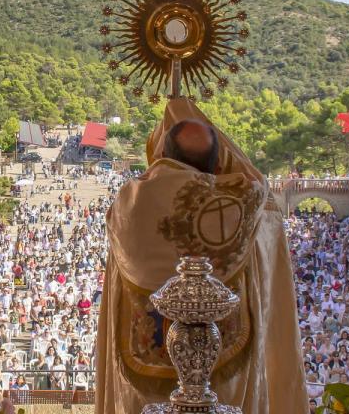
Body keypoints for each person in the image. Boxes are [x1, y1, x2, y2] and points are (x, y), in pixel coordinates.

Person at [97, 98, 306, 414]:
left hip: (146, 356)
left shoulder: (133, 199)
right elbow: (258, 184)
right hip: (224, 359)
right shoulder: (244, 198)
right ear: (219, 162)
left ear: (162, 158)